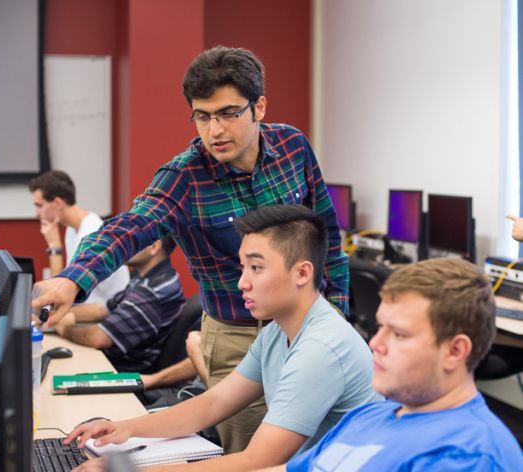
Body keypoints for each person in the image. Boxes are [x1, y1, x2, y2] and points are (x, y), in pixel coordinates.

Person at [32, 46, 349, 453]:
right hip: (240, 338)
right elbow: (129, 228)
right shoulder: (184, 176)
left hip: (309, 324)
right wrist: (70, 280)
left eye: (229, 113)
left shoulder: (293, 147)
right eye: (203, 116)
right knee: (255, 453)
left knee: (321, 445)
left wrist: (337, 308)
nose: (215, 130)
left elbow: (327, 231)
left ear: (260, 107)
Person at [66, 205, 379, 471]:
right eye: (243, 267)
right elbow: (213, 403)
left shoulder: (319, 349)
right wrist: (126, 428)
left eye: (257, 268)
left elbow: (258, 460)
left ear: (302, 273)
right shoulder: (278, 330)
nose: (242, 282)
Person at [261, 258, 522, 472]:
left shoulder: (467, 456)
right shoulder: (369, 415)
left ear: (455, 351)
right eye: (380, 327)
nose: (375, 343)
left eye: (399, 334)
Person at [53, 236, 186, 373]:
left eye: (131, 240)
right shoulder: (148, 276)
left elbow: (98, 338)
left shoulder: (152, 290)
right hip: (110, 362)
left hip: (122, 373)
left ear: (154, 247)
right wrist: (58, 314)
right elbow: (101, 309)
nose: (123, 245)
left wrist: (65, 329)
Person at [29, 170, 130, 304]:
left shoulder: (90, 233)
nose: (37, 213)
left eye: (39, 206)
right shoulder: (72, 228)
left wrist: (54, 246)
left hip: (108, 315)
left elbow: (57, 294)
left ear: (58, 203)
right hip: (92, 308)